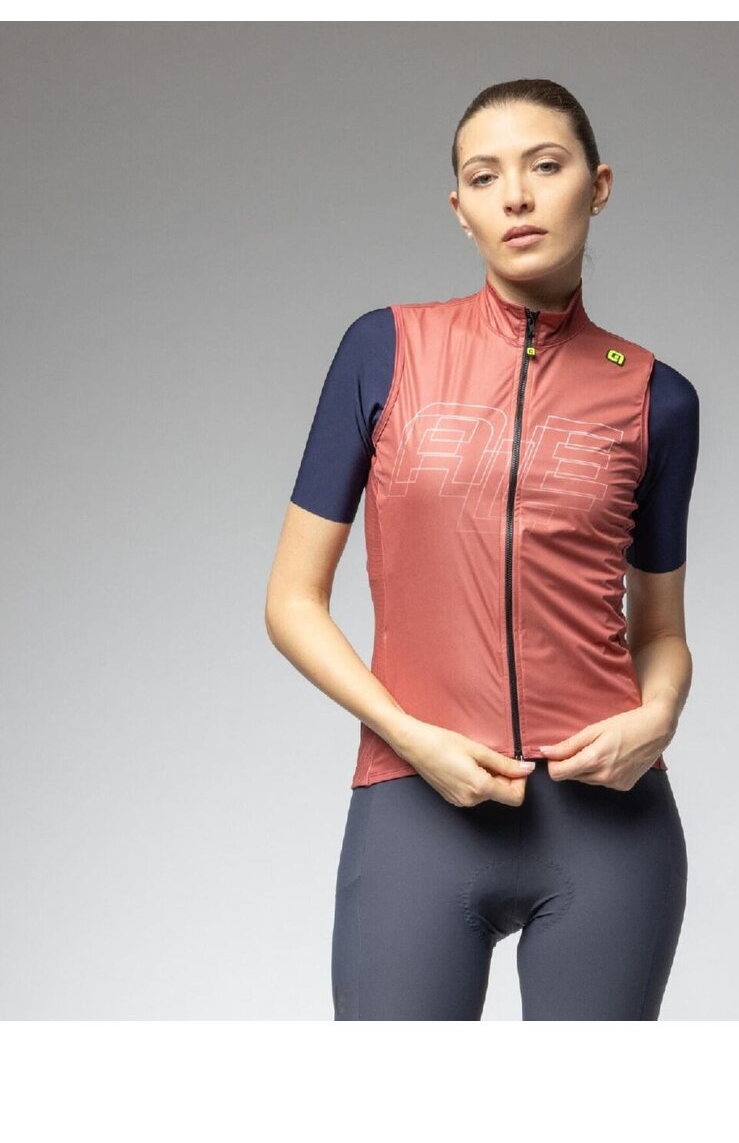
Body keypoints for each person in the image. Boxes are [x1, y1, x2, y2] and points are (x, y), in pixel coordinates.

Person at [265, 78, 700, 1020]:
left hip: (608, 824)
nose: (517, 196)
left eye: (546, 166)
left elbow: (660, 631)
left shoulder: (656, 398)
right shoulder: (383, 351)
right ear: (460, 209)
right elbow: (291, 601)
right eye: (485, 176)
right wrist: (410, 736)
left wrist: (658, 718)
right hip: (417, 801)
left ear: (598, 185)